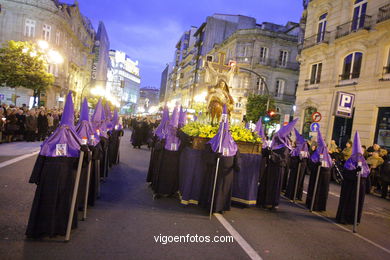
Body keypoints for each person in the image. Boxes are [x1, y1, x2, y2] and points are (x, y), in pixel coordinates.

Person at [200, 105, 240, 213]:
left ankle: (222, 207)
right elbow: (206, 156)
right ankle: (212, 205)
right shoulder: (213, 142)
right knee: (215, 189)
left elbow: (236, 155)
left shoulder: (233, 144)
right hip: (215, 171)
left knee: (224, 190)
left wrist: (237, 165)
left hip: (227, 173)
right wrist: (214, 157)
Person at [257, 118, 298, 210]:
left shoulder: (285, 148)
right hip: (270, 168)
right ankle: (263, 201)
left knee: (273, 186)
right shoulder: (275, 146)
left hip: (277, 170)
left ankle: (270, 203)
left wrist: (272, 154)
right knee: (266, 184)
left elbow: (282, 160)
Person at [336, 132, 370, 224]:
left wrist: (361, 171)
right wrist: (355, 171)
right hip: (349, 187)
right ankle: (344, 218)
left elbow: (366, 173)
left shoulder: (364, 163)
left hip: (359, 187)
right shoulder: (349, 162)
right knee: (348, 202)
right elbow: (347, 173)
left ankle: (354, 219)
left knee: (357, 203)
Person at [306, 128, 332, 211]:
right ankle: (312, 203)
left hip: (325, 176)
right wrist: (316, 164)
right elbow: (311, 163)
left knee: (323, 191)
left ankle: (321, 206)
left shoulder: (327, 156)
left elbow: (330, 165)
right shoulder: (316, 153)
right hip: (316, 175)